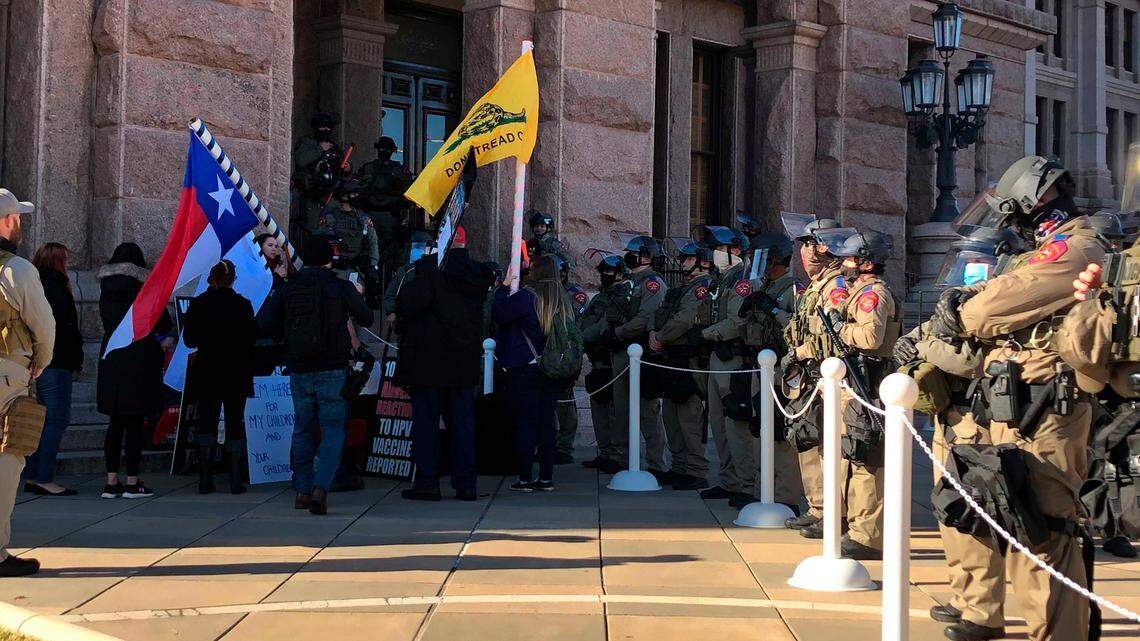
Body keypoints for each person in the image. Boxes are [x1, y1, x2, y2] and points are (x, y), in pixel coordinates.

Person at [931, 156, 1107, 641]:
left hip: (1047, 408)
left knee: (1043, 527)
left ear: (1039, 200)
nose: (1009, 225)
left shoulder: (1074, 248)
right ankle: (982, 615)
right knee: (990, 505)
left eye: (1012, 213)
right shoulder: (1040, 249)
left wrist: (961, 310)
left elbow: (983, 310)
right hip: (1009, 400)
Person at [259, 236, 374, 515]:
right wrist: (356, 294)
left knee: (303, 428)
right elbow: (367, 319)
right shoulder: (340, 285)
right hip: (333, 367)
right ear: (328, 259)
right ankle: (322, 487)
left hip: (300, 368)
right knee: (333, 428)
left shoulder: (289, 287)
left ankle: (302, 489)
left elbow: (264, 325)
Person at [395, 226, 493, 501]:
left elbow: (409, 304)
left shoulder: (430, 273)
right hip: (462, 364)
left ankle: (427, 483)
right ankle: (466, 483)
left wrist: (424, 267)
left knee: (427, 426)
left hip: (429, 364)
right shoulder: (475, 276)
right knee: (462, 425)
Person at [0, 189, 55, 576]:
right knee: (8, 458)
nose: (19, 223)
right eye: (16, 217)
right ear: (6, 222)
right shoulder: (18, 270)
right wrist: (41, 363)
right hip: (7, 373)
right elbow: (45, 328)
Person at [780, 215, 845, 532]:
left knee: (827, 448)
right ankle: (817, 507)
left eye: (809, 245)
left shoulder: (836, 286)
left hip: (825, 376)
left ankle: (833, 511)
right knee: (807, 441)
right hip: (807, 376)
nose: (805, 254)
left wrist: (801, 352)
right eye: (803, 246)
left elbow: (836, 336)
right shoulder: (814, 286)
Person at [732, 232, 802, 511]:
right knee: (760, 429)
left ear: (779, 260)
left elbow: (796, 329)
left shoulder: (791, 289)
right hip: (758, 366)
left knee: (780, 434)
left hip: (781, 369)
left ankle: (785, 497)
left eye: (766, 259)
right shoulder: (765, 286)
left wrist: (772, 309)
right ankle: (763, 490)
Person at [97, 242, 172, 499]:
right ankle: (132, 482)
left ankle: (110, 482)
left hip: (112, 354)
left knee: (115, 422)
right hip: (139, 355)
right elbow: (163, 322)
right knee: (134, 424)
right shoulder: (144, 287)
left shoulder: (105, 287)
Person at [493, 256, 570, 492]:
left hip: (527, 366)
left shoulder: (528, 297)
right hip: (552, 368)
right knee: (547, 423)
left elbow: (499, 313)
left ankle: (525, 477)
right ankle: (546, 477)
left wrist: (504, 286)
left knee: (526, 423)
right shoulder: (563, 300)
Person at [182, 260, 259, 495]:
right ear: (233, 279)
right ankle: (236, 480)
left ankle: (205, 480)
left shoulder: (199, 304)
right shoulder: (243, 304)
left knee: (207, 421)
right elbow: (252, 337)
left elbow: (189, 340)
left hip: (208, 369)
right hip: (236, 370)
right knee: (236, 421)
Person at [648, 241, 713, 490]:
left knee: (689, 417)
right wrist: (655, 332)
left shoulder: (701, 288)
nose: (684, 264)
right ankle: (679, 466)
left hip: (689, 359)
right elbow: (661, 313)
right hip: (671, 357)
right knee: (671, 416)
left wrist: (660, 336)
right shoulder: (684, 288)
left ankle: (696, 470)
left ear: (702, 263)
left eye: (688, 259)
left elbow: (684, 320)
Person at [22, 243, 83, 496]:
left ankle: (35, 474)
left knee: (43, 420)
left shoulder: (36, 282)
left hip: (42, 360)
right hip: (56, 361)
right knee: (56, 419)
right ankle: (43, 477)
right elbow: (62, 327)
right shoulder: (56, 286)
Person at [607, 236, 668, 479]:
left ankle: (656, 462)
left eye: (634, 253)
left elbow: (646, 317)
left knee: (648, 410)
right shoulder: (629, 282)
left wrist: (620, 331)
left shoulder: (652, 283)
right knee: (620, 407)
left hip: (642, 350)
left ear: (646, 256)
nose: (629, 256)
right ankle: (620, 456)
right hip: (623, 349)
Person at [699, 226, 752, 502]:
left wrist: (706, 333)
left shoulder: (742, 279)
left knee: (736, 427)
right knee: (718, 425)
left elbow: (737, 322)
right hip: (717, 357)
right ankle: (728, 479)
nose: (716, 254)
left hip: (734, 359)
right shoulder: (721, 279)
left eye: (720, 249)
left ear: (735, 251)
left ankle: (746, 484)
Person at [580, 255, 632, 474]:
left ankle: (618, 455)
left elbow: (603, 326)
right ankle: (605, 452)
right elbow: (587, 320)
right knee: (598, 409)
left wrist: (579, 338)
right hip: (597, 358)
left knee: (615, 411)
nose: (605, 276)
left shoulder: (622, 295)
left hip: (611, 356)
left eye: (609, 272)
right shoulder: (601, 296)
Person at [356, 136, 412, 273]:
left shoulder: (399, 170)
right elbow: (356, 189)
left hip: (390, 217)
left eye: (386, 150)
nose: (384, 152)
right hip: (371, 216)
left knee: (389, 255)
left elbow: (409, 192)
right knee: (369, 251)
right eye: (382, 149)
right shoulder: (368, 168)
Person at [293, 112, 347, 239]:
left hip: (331, 196)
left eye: (328, 128)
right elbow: (301, 160)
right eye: (323, 127)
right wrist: (319, 149)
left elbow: (342, 166)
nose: (326, 130)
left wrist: (347, 167)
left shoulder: (334, 147)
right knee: (312, 230)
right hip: (312, 196)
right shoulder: (308, 143)